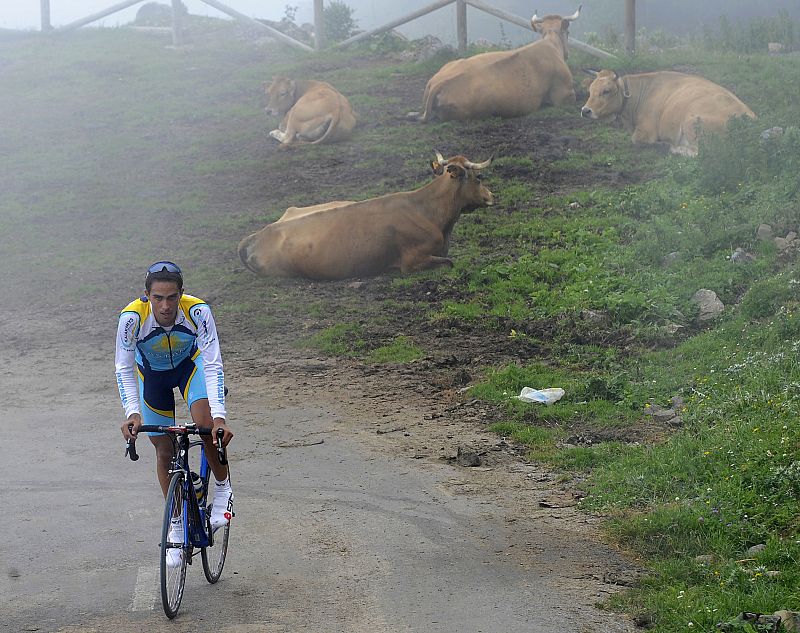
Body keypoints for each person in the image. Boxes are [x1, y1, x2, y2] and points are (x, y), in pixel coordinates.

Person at [115, 261, 234, 566]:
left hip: (189, 369)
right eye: (158, 298)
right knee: (163, 450)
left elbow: (213, 363)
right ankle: (177, 526)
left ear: (182, 295)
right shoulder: (131, 319)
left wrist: (219, 417)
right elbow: (124, 368)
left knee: (207, 427)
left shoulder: (198, 312)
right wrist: (132, 413)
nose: (165, 306)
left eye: (172, 298)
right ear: (146, 296)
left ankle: (223, 491)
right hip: (152, 377)